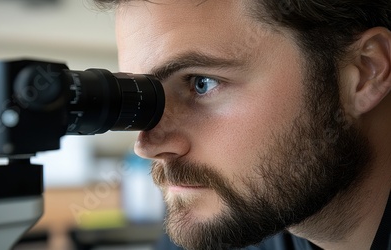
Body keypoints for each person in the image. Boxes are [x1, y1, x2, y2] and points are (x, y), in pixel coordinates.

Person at [93, 0, 391, 249]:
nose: (147, 146)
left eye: (201, 83)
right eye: (147, 96)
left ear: (366, 73)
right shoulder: (241, 223)